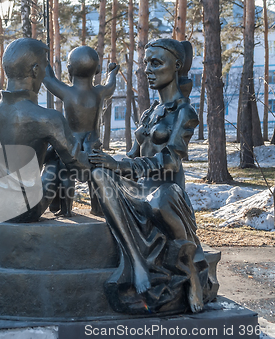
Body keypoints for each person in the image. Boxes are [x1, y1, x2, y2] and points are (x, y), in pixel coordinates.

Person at [88, 38, 208, 313]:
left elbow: (170, 161)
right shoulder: (149, 114)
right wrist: (106, 161)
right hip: (140, 188)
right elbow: (132, 157)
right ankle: (138, 265)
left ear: (176, 66)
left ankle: (191, 274)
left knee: (158, 201)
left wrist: (120, 167)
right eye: (145, 64)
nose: (147, 70)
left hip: (168, 192)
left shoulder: (184, 112)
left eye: (156, 63)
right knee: (98, 174)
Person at [0, 38, 90, 223]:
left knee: (56, 156)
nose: (45, 72)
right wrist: (104, 161)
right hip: (25, 209)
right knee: (61, 162)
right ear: (35, 70)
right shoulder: (47, 118)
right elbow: (81, 170)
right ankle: (64, 209)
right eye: (45, 66)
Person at [43, 46, 119, 216]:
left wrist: (44, 59)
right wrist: (112, 72)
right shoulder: (100, 92)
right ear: (97, 69)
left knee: (67, 175)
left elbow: (48, 79)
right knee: (95, 176)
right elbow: (111, 85)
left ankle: (66, 209)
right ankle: (97, 208)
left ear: (69, 69)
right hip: (93, 143)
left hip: (72, 144)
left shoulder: (67, 92)